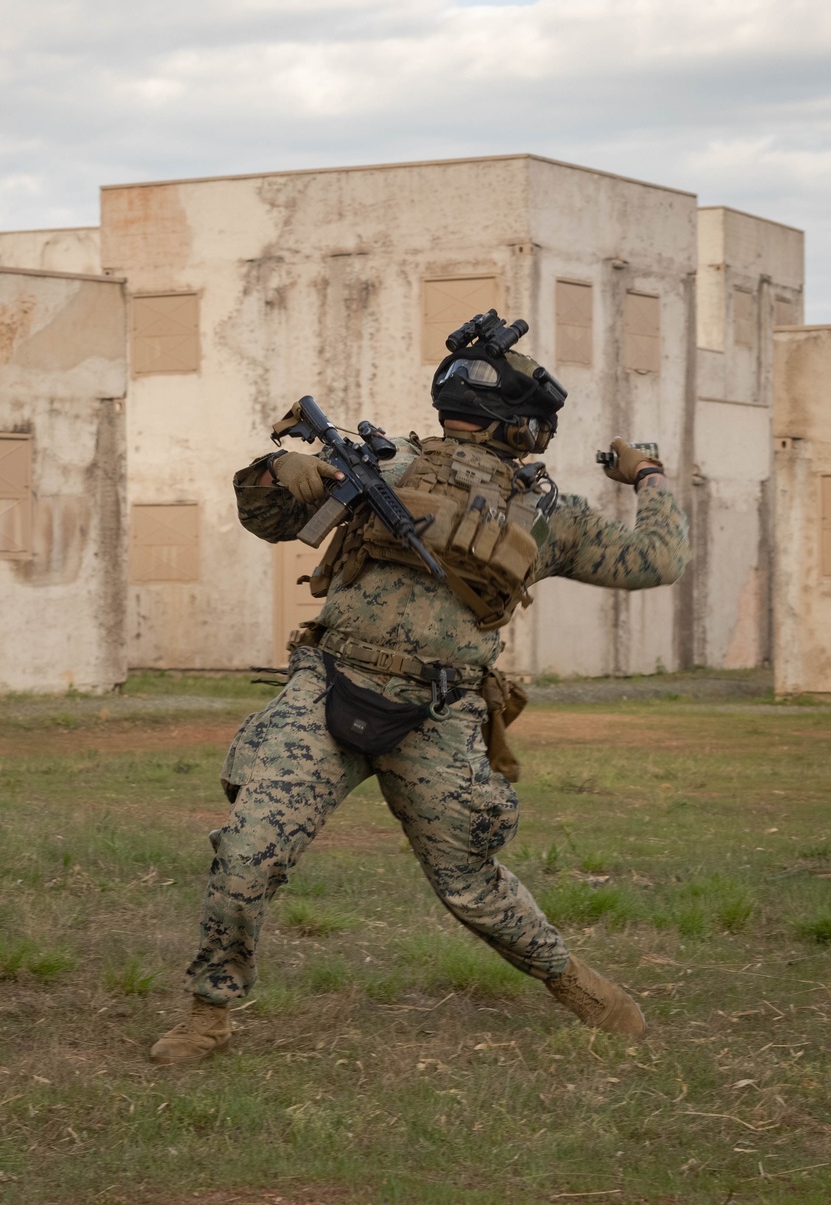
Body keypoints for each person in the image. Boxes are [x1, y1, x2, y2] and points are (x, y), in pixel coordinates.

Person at [150, 328, 690, 1065]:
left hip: (438, 713)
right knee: (247, 854)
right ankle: (208, 1013)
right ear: (524, 423)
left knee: (472, 885)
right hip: (332, 684)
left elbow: (658, 563)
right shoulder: (385, 461)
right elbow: (269, 518)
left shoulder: (545, 513)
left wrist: (647, 472)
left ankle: (574, 982)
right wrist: (280, 472)